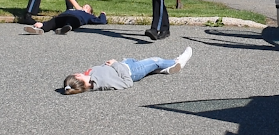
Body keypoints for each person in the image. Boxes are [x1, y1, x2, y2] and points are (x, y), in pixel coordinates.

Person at [63, 47, 193, 94]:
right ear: (78, 79)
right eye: (76, 75)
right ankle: (177, 62)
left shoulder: (90, 76)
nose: (78, 72)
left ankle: (164, 69)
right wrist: (115, 64)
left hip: (126, 64)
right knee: (155, 60)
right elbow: (127, 82)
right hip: (132, 71)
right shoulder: (103, 82)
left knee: (151, 65)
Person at [23, 4, 107, 35]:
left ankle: (65, 28)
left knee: (71, 21)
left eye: (87, 7)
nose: (84, 7)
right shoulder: (73, 10)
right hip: (63, 16)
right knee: (53, 22)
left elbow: (101, 21)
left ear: (90, 12)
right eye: (84, 6)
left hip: (76, 19)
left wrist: (103, 14)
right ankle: (40, 28)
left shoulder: (88, 16)